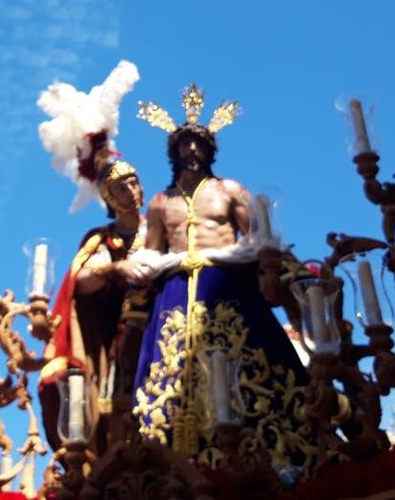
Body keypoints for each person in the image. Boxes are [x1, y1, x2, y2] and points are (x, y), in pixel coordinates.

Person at [131, 84, 310, 471]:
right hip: (177, 293)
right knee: (168, 376)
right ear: (174, 151)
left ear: (210, 151)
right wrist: (139, 266)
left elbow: (261, 239)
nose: (193, 150)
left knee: (251, 363)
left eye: (200, 145)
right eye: (186, 145)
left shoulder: (230, 190)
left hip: (227, 287)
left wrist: (273, 270)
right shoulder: (161, 203)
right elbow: (152, 250)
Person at [34, 60, 152, 453]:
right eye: (120, 187)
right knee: (122, 403)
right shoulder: (102, 239)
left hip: (168, 324)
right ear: (107, 198)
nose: (131, 191)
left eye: (134, 181)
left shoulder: (163, 223)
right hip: (121, 334)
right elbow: (82, 281)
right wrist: (117, 268)